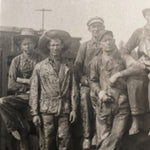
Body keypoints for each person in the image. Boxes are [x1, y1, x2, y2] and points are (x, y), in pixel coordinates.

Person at [30, 30, 78, 150]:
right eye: (52, 45)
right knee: (47, 140)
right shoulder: (40, 67)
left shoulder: (68, 66)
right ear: (48, 47)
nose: (55, 48)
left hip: (64, 109)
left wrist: (74, 109)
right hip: (46, 110)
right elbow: (34, 90)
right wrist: (35, 113)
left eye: (57, 45)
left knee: (64, 140)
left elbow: (73, 89)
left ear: (62, 46)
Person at [0, 28, 41, 148]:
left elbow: (42, 81)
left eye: (30, 43)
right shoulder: (16, 61)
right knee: (2, 101)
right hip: (23, 97)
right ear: (21, 46)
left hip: (38, 96)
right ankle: (17, 126)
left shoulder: (40, 60)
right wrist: (28, 84)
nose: (27, 46)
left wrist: (22, 80)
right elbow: (11, 84)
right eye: (24, 44)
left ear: (34, 44)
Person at [90, 30, 129, 150]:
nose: (108, 43)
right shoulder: (96, 60)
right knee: (103, 138)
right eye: (105, 41)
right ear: (100, 44)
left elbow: (137, 67)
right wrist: (100, 92)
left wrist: (119, 74)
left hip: (121, 103)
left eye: (110, 40)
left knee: (117, 137)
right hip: (104, 104)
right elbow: (93, 80)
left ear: (114, 41)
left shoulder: (123, 57)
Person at [116, 8, 150, 135]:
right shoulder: (139, 32)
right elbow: (124, 50)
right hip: (142, 65)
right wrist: (129, 59)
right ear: (145, 16)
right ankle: (136, 120)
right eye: (149, 14)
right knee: (133, 81)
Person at [74, 16, 105, 149]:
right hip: (88, 82)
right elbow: (77, 66)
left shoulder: (107, 43)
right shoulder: (84, 46)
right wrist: (82, 78)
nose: (96, 29)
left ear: (103, 28)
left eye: (99, 26)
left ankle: (100, 135)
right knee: (84, 96)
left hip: (103, 82)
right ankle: (87, 136)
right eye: (94, 26)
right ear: (89, 29)